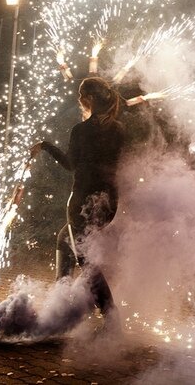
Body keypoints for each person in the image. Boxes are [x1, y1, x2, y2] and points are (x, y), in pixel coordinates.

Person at [30, 77, 125, 328]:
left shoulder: (82, 130)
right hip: (108, 202)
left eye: (81, 97)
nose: (80, 102)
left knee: (85, 259)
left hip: (83, 201)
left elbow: (71, 165)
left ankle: (111, 318)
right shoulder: (118, 129)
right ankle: (60, 305)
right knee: (64, 239)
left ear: (90, 99)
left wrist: (45, 146)